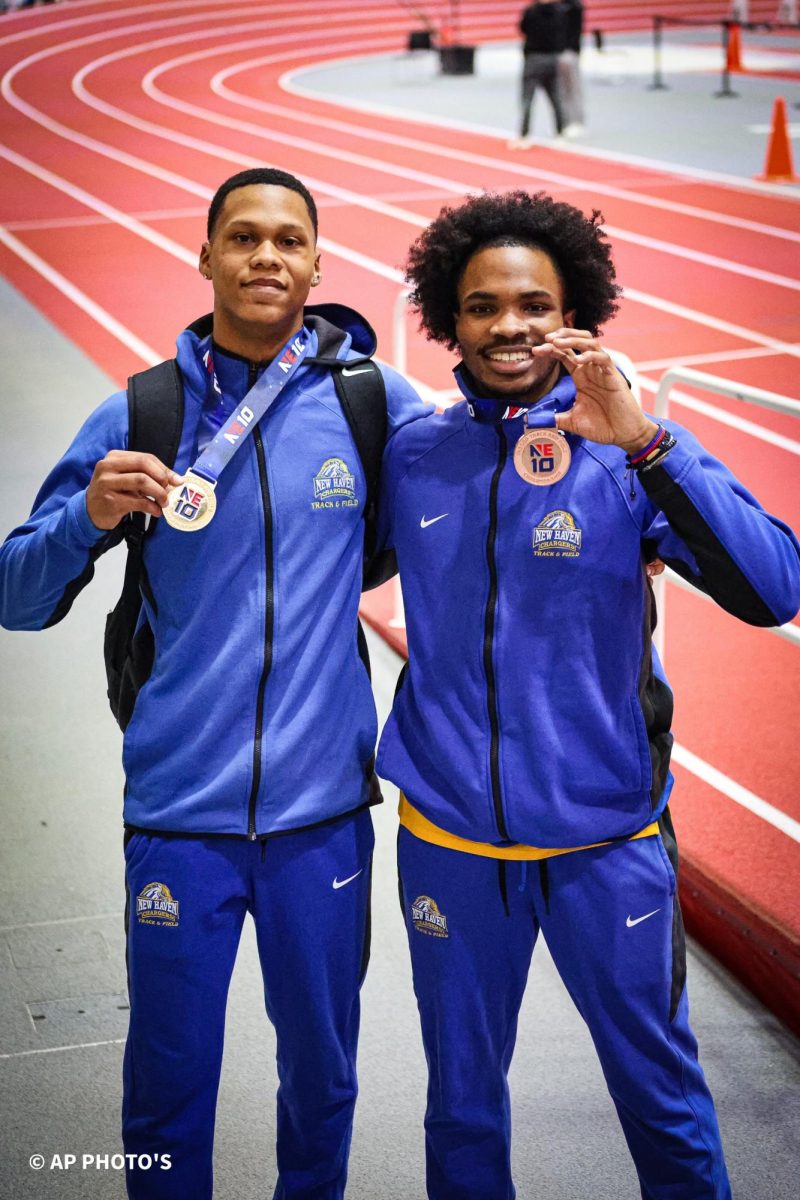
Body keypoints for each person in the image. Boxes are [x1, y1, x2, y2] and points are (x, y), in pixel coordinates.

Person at [0, 167, 428, 1200]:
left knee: (321, 1079)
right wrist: (85, 518)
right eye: (241, 237)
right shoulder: (140, 409)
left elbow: (480, 495)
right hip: (178, 815)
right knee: (165, 1088)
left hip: (321, 813)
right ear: (203, 257)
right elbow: (17, 592)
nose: (266, 256)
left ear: (318, 263)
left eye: (288, 239)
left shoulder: (372, 401)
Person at [376, 189, 800, 1199]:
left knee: (657, 1092)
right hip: (449, 842)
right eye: (480, 305)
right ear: (448, 318)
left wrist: (647, 443)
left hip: (607, 842)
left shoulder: (623, 454)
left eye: (532, 303)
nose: (507, 326)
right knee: (461, 1104)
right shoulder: (414, 454)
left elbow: (771, 585)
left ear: (573, 311)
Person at [510, 0, 570, 148]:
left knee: (527, 99)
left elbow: (523, 28)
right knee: (556, 97)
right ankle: (560, 133)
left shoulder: (531, 12)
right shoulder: (559, 12)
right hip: (552, 57)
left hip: (534, 58)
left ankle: (524, 135)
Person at [558, 0, 585, 135]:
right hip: (556, 51)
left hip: (569, 51)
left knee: (572, 88)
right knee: (561, 90)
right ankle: (565, 121)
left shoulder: (573, 7)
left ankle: (577, 121)